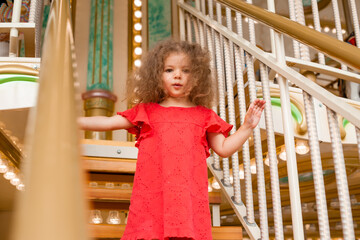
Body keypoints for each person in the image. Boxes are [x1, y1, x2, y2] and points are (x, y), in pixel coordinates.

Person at [78, 39, 265, 240]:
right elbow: (107, 123)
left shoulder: (204, 116)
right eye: (169, 70)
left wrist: (247, 127)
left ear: (197, 78)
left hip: (187, 201)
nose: (177, 75)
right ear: (156, 76)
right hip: (151, 198)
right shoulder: (146, 111)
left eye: (186, 70)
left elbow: (224, 148)